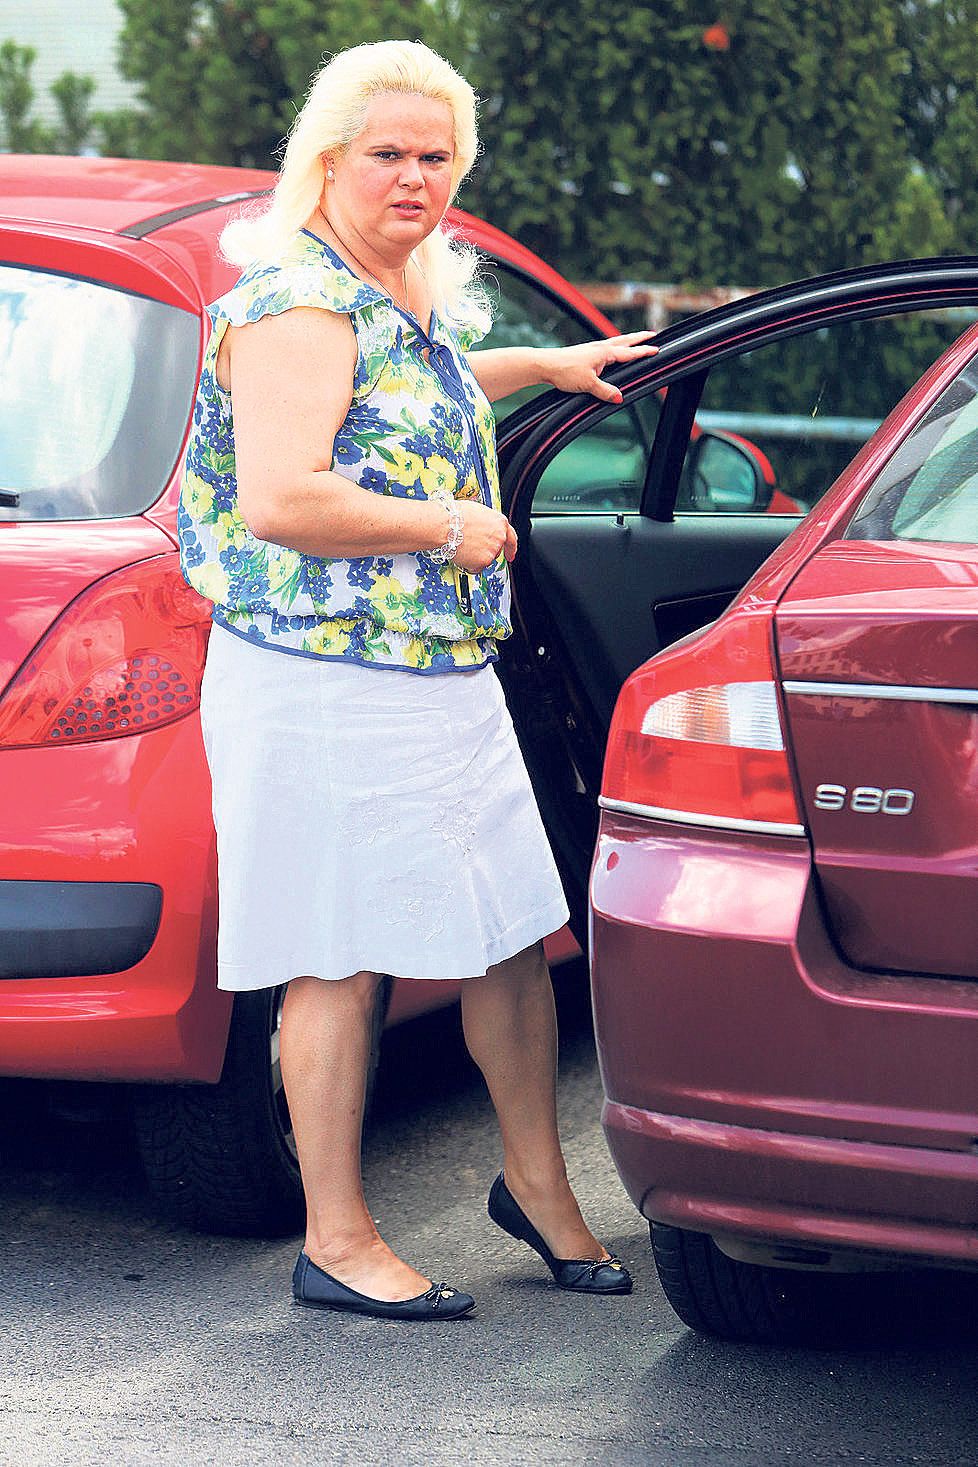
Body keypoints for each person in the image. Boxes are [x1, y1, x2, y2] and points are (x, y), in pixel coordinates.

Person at [179, 38, 657, 1322]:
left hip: (434, 669)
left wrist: (538, 370)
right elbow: (284, 497)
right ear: (327, 162)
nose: (414, 176)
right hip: (318, 680)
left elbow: (403, 399)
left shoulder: (398, 293)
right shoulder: (295, 300)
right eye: (386, 153)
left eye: (436, 156)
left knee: (508, 933)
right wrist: (452, 527)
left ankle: (536, 1188)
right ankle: (336, 1238)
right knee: (334, 956)